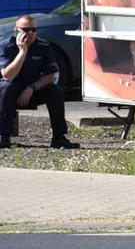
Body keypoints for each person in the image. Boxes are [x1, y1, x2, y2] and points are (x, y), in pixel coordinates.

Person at [0, 15, 78, 149]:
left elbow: (50, 76)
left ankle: (59, 137)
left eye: (34, 30)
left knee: (54, 90)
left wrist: (32, 88)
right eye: (26, 30)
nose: (30, 33)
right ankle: (4, 137)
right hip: (9, 92)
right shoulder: (6, 46)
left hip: (30, 91)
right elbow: (8, 76)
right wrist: (22, 51)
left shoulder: (43, 45)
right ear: (16, 30)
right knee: (7, 87)